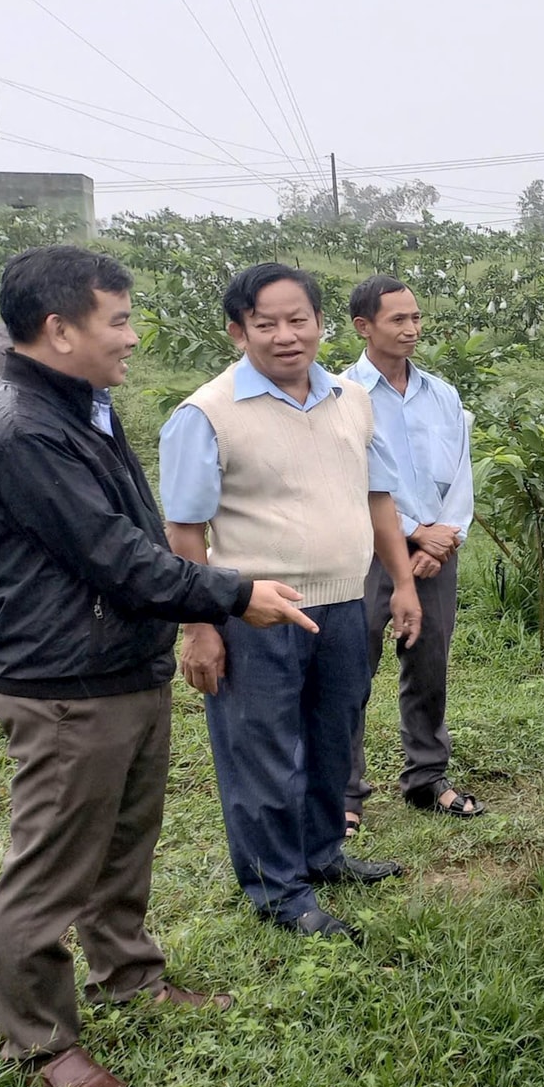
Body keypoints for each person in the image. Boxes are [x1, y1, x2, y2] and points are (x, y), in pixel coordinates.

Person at [0, 246, 320, 1087]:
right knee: (50, 867)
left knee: (123, 844)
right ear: (59, 328)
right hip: (65, 680)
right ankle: (39, 1043)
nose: (131, 336)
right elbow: (117, 558)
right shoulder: (24, 430)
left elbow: (139, 530)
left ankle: (130, 976)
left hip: (120, 662)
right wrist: (232, 596)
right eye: (117, 320)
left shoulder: (81, 403)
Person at [160, 263, 423, 941]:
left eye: (298, 319)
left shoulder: (350, 398)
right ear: (236, 331)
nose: (286, 336)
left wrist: (401, 582)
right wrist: (201, 624)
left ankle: (321, 855)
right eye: (266, 323)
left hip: (343, 602)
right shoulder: (207, 413)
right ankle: (277, 890)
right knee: (263, 754)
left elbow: (379, 499)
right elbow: (185, 530)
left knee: (335, 737)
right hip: (254, 611)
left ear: (320, 323)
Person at [342, 274, 483, 834]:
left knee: (428, 666)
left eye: (416, 317)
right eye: (398, 319)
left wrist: (445, 535)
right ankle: (345, 792)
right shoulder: (342, 395)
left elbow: (461, 473)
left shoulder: (442, 394)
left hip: (436, 557)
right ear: (363, 326)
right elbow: (351, 478)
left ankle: (426, 777)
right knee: (352, 668)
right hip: (366, 553)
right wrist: (410, 533)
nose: (411, 329)